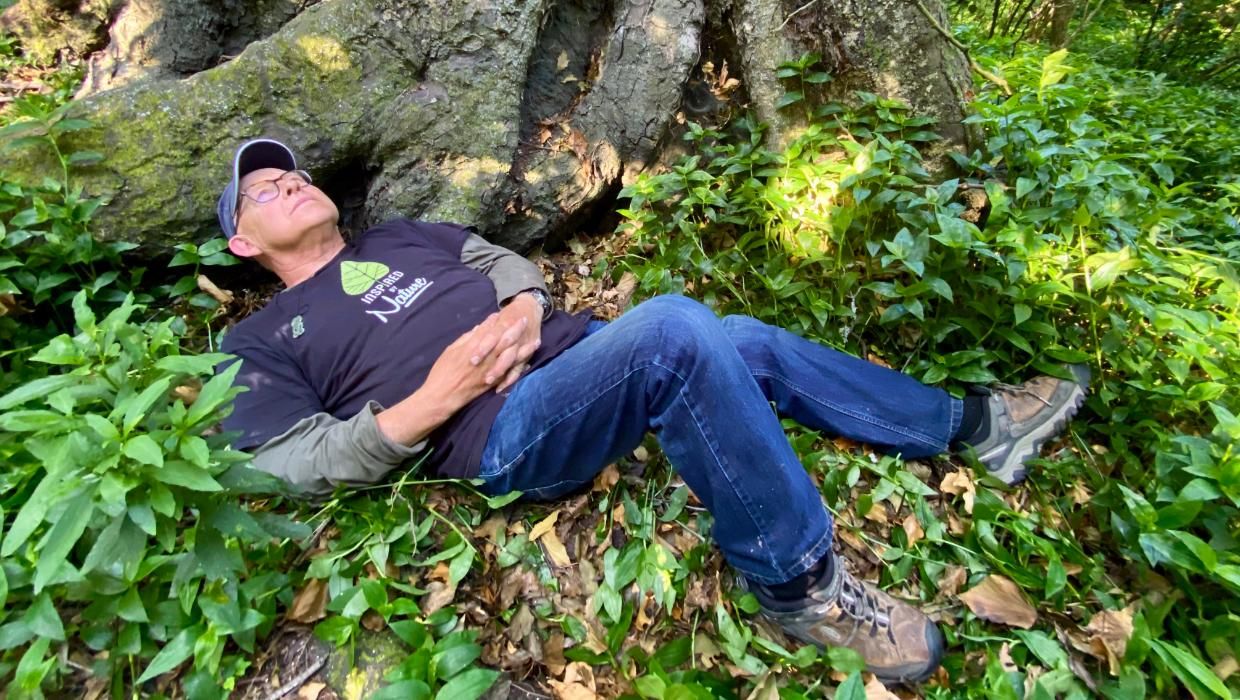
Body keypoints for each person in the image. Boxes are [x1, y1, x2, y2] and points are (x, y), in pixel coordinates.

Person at [216, 138, 1089, 684]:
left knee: (734, 336)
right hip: (501, 431)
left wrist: (522, 310)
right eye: (263, 190)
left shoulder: (401, 233)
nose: (287, 181)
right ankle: (799, 587)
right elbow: (287, 462)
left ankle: (972, 426)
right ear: (242, 245)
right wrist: (431, 401)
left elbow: (504, 264)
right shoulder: (262, 340)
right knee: (673, 331)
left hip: (566, 354)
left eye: (290, 170)